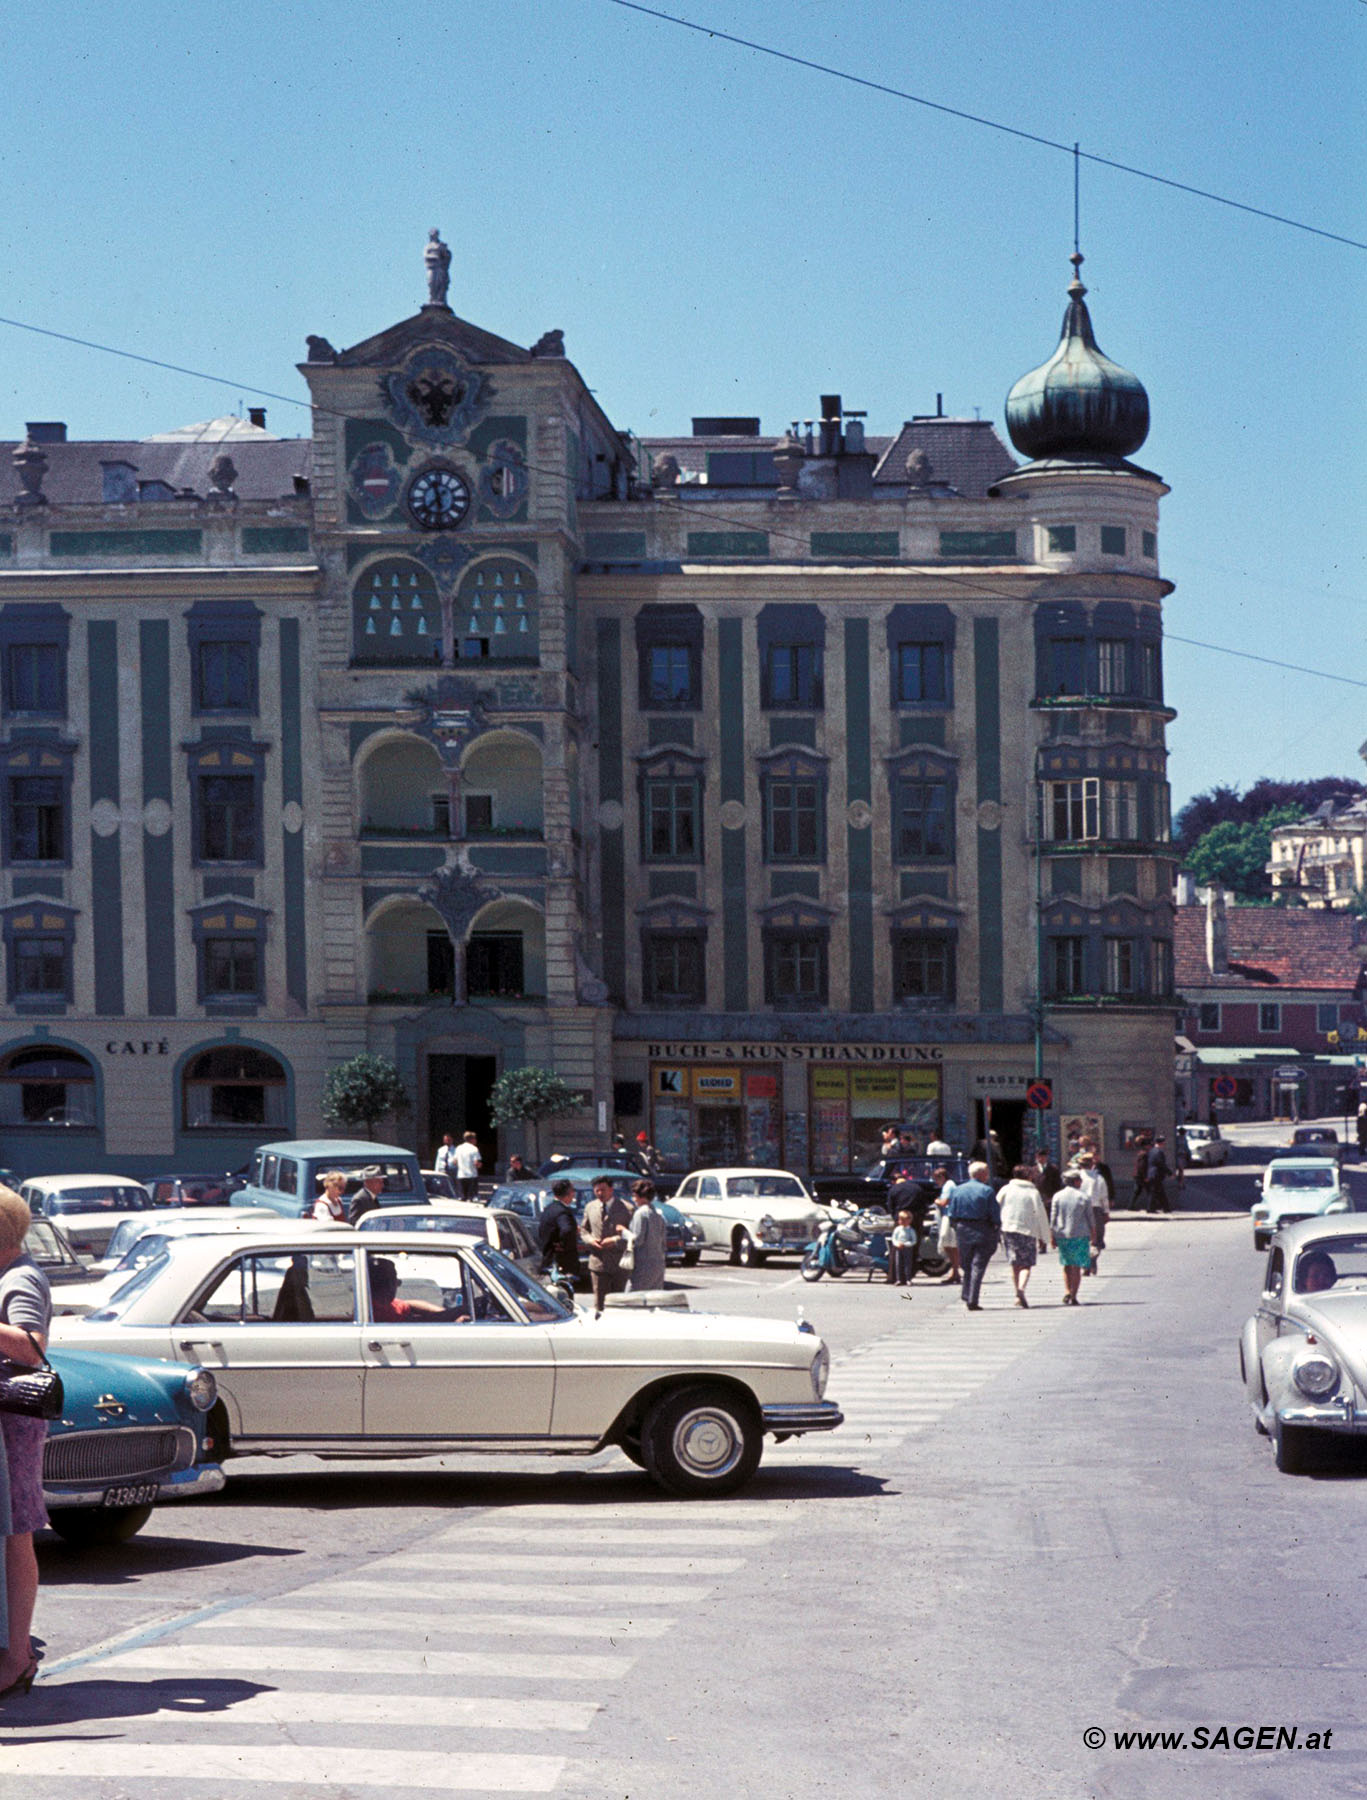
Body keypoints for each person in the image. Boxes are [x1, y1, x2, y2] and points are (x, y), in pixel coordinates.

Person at [0, 1186, 51, 1701]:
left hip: (12, 1423)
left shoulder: (21, 1277)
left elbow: (31, 1347)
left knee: (16, 1532)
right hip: (6, 1423)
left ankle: (17, 1657)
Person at [946, 1160, 1001, 1311]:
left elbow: (951, 1213)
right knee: (978, 1265)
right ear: (982, 1174)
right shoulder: (987, 1191)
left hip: (963, 1229)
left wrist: (957, 1227)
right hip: (983, 1229)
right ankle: (972, 1298)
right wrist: (996, 1229)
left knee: (967, 1264)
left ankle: (967, 1293)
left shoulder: (958, 1190)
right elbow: (995, 1215)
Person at [997, 1163, 1052, 1308]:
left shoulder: (1005, 1189)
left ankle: (1017, 1294)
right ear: (1028, 1176)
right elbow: (1040, 1214)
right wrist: (1044, 1236)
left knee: (1014, 1263)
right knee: (1026, 1264)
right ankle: (1021, 1288)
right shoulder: (1032, 1192)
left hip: (1009, 1229)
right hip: (1028, 1231)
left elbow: (996, 1205)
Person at [580, 1174, 633, 1314]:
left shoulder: (626, 1209)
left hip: (619, 1264)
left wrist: (615, 1240)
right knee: (599, 1304)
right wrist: (590, 1240)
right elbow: (584, 1230)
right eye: (596, 1190)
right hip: (598, 1262)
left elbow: (632, 1236)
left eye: (602, 1190)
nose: (599, 1193)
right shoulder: (590, 1207)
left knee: (619, 1303)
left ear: (611, 1189)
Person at [1051, 1168, 1096, 1306]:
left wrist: (1052, 1236)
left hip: (1063, 1234)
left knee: (1066, 1264)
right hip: (1080, 1235)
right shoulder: (1083, 1197)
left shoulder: (1057, 1196)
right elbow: (1090, 1218)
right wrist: (1093, 1234)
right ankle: (1074, 1294)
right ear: (1076, 1181)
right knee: (1076, 1266)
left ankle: (1066, 1290)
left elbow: (1053, 1218)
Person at [369, 1256, 451, 1321]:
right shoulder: (378, 1311)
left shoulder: (385, 1304)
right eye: (395, 1280)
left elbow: (409, 1305)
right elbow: (418, 1322)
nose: (398, 1284)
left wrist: (446, 1314)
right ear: (386, 1284)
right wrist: (448, 1318)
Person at [625, 1179, 668, 1291]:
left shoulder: (640, 1214)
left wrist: (623, 1233)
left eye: (634, 1196)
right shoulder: (658, 1214)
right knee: (653, 1299)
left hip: (643, 1265)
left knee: (632, 1299)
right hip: (658, 1264)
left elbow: (637, 1240)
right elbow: (663, 1242)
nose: (633, 1199)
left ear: (641, 1196)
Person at [537, 1179, 581, 1283]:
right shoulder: (562, 1212)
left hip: (548, 1257)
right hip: (561, 1263)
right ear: (569, 1193)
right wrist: (564, 1246)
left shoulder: (549, 1208)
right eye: (572, 1191)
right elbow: (567, 1230)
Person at [1075, 1151, 1109, 1276]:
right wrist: (1106, 1212)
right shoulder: (1099, 1178)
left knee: (1082, 1237)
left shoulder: (1076, 1178)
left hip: (1079, 1209)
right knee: (1097, 1238)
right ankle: (1092, 1259)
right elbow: (1104, 1196)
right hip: (1095, 1209)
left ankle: (1085, 1264)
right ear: (1091, 1164)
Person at [932, 1164, 960, 1285]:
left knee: (948, 1242)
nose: (936, 1182)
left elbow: (944, 1202)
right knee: (949, 1244)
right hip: (947, 1216)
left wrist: (936, 1201)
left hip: (949, 1217)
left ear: (942, 1177)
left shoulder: (949, 1186)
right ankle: (955, 1271)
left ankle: (955, 1270)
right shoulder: (948, 1185)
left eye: (936, 1179)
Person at [888, 1210, 918, 1286]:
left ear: (909, 1221)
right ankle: (899, 1279)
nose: (901, 1222)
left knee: (907, 1264)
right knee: (898, 1264)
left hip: (907, 1248)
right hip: (898, 1248)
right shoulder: (897, 1229)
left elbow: (914, 1240)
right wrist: (897, 1244)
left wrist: (905, 1244)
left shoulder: (911, 1230)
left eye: (904, 1220)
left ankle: (908, 1279)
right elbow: (894, 1238)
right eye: (900, 1220)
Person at [1145, 1137, 1172, 1214]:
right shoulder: (1159, 1152)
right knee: (1156, 1192)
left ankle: (1165, 1208)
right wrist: (1169, 1172)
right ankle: (1153, 1208)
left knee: (1158, 1192)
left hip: (1151, 1174)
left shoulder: (1151, 1151)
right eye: (1163, 1143)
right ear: (1161, 1143)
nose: (1164, 1144)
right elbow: (1161, 1164)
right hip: (1156, 1174)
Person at [453, 1131, 482, 1202]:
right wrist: (480, 1165)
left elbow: (454, 1162)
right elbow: (476, 1163)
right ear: (472, 1139)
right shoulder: (474, 1149)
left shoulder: (458, 1148)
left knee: (462, 1198)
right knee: (472, 1198)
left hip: (461, 1175)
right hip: (472, 1176)